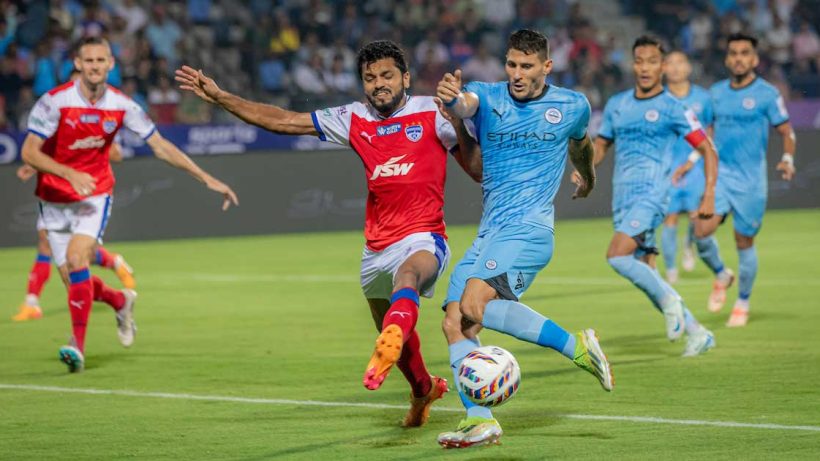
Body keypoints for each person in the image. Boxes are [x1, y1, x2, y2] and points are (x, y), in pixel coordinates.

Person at [175, 40, 480, 428]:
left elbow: (477, 169)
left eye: (386, 75)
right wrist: (221, 98)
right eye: (369, 78)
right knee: (389, 323)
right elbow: (283, 121)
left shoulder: (433, 112)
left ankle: (391, 341)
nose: (378, 84)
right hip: (376, 247)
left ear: (405, 77)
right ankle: (423, 389)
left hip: (424, 237)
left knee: (407, 280)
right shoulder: (353, 117)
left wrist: (458, 121)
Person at [435, 29, 613, 449]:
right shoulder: (486, 95)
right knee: (454, 321)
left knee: (475, 304)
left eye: (527, 66)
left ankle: (577, 348)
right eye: (511, 64)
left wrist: (587, 177)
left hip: (530, 229)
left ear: (546, 67)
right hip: (491, 231)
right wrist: (451, 101)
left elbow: (582, 145)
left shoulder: (571, 105)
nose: (517, 73)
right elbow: (465, 103)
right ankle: (480, 420)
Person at [22, 36, 238, 373]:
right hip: (54, 198)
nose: (95, 66)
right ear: (78, 65)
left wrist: (205, 177)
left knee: (79, 259)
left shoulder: (122, 106)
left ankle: (75, 347)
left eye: (101, 60)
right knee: (73, 281)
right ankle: (120, 300)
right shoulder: (54, 102)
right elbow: (29, 152)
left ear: (111, 64)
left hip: (95, 193)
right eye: (88, 61)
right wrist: (67, 173)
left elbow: (161, 146)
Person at [591, 36, 718, 357]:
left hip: (653, 195)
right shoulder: (618, 104)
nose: (645, 67)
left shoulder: (673, 108)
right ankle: (698, 332)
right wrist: (585, 169)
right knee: (645, 271)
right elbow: (603, 144)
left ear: (662, 67)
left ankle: (672, 301)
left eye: (651, 61)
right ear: (632, 64)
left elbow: (707, 148)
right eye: (639, 61)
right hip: (622, 198)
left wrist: (708, 194)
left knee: (617, 255)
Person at [675, 33, 796, 327]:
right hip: (722, 178)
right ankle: (721, 274)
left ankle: (742, 300)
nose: (739, 58)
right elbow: (707, 134)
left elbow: (786, 131)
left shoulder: (767, 94)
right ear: (727, 58)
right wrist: (692, 161)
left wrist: (787, 158)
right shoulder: (715, 94)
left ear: (754, 59)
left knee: (744, 241)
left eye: (745, 53)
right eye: (733, 53)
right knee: (701, 230)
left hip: (751, 183)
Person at [12, 146, 136, 322]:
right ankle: (32, 302)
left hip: (82, 194)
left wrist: (83, 151)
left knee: (75, 255)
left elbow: (116, 154)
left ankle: (112, 268)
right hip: (54, 193)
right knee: (49, 245)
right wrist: (36, 165)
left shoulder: (95, 123)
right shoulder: (56, 124)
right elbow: (51, 150)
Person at [660, 51, 720, 284]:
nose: (675, 68)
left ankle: (689, 246)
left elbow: (709, 133)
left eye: (680, 63)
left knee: (697, 217)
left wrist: (692, 161)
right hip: (668, 168)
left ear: (688, 68)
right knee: (670, 218)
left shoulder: (703, 99)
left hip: (695, 168)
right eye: (670, 63)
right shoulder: (659, 98)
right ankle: (672, 271)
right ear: (664, 69)